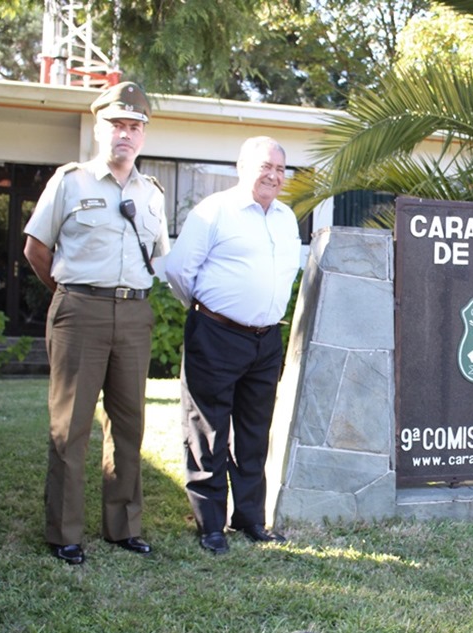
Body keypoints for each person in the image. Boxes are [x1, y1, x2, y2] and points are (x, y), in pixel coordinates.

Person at [24, 82, 170, 565]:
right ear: (98, 127)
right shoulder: (70, 182)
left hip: (133, 313)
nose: (124, 134)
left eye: (133, 126)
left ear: (143, 135)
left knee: (129, 425)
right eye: (116, 125)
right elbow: (36, 249)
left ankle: (123, 526)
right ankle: (64, 532)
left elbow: (157, 256)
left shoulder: (151, 194)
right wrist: (71, 296)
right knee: (71, 428)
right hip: (80, 309)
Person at [164, 136, 302, 554]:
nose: (274, 176)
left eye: (281, 169)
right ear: (243, 167)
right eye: (266, 167)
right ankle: (210, 525)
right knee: (207, 430)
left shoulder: (285, 218)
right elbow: (178, 271)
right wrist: (211, 313)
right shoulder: (214, 211)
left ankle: (249, 519)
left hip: (266, 340)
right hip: (216, 335)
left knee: (253, 433)